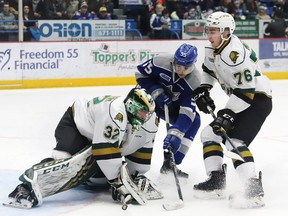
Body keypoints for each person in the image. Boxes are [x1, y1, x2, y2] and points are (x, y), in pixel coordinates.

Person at [5, 88, 163, 208]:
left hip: (97, 137)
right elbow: (104, 150)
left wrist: (136, 175)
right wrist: (118, 182)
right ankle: (27, 186)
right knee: (76, 165)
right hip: (75, 127)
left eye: (146, 114)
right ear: (132, 106)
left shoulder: (150, 121)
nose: (145, 117)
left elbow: (142, 149)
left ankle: (86, 176)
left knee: (98, 182)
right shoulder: (115, 112)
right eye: (142, 113)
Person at [192, 11, 272, 208]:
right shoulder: (214, 47)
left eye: (213, 31)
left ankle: (253, 187)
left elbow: (247, 92)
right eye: (208, 30)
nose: (209, 35)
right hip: (241, 99)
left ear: (226, 32)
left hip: (257, 100)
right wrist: (204, 88)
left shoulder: (235, 54)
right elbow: (208, 71)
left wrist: (226, 114)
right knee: (209, 135)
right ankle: (216, 181)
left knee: (234, 141)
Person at [135, 43, 202, 178]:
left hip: (170, 107)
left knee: (194, 121)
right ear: (174, 61)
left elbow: (187, 111)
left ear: (194, 64)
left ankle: (170, 163)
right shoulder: (160, 61)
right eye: (178, 66)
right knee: (137, 123)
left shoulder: (195, 81)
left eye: (186, 67)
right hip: (146, 99)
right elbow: (140, 74)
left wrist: (176, 134)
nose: (181, 71)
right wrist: (155, 90)